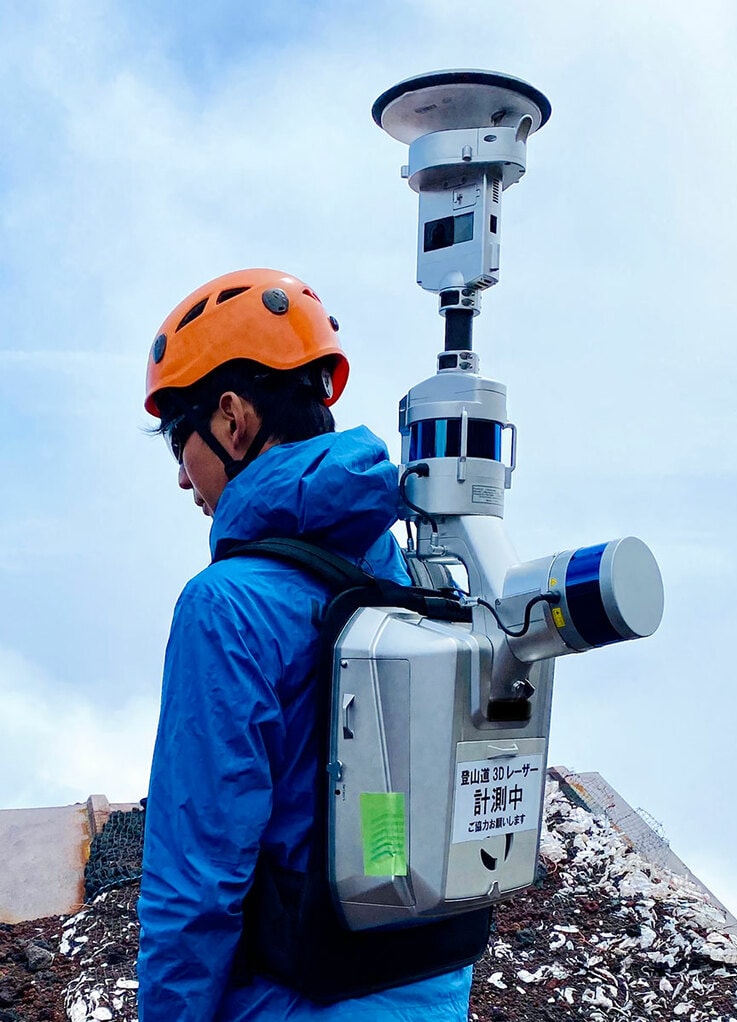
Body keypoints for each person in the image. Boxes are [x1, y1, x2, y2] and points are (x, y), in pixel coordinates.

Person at [137, 268, 473, 1021]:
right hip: (429, 986)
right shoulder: (398, 567)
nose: (184, 478)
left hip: (294, 999)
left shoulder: (225, 605)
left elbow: (197, 881)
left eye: (178, 443)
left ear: (230, 420)